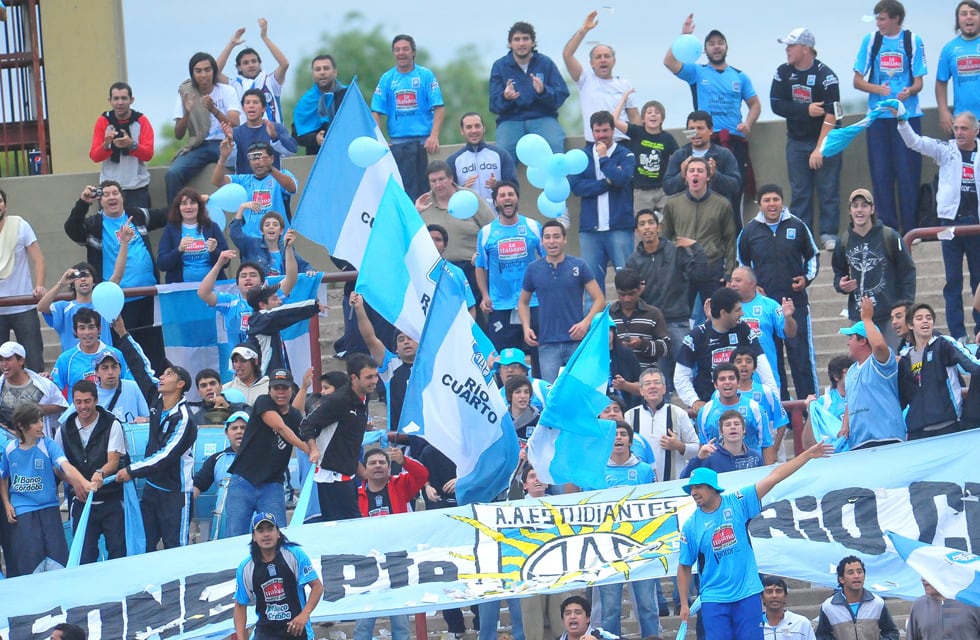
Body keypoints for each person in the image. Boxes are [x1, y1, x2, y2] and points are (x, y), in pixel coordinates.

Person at [677, 441, 833, 639]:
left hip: (747, 593)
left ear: (713, 488)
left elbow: (773, 478)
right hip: (714, 598)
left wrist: (806, 456)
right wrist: (683, 603)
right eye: (691, 488)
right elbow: (683, 567)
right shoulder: (691, 525)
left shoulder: (737, 502)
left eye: (698, 487)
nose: (693, 493)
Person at [665, 15, 761, 224]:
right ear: (704, 49)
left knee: (735, 197)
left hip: (734, 142)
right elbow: (669, 62)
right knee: (703, 195)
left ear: (726, 47)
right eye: (711, 44)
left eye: (720, 43)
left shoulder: (739, 76)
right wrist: (683, 37)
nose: (716, 47)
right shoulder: (697, 71)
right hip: (707, 141)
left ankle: (735, 252)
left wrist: (748, 123)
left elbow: (755, 104)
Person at [895, 105, 980, 342]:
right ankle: (959, 334)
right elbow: (916, 142)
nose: (959, 132)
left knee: (979, 281)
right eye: (956, 128)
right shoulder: (946, 150)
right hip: (949, 223)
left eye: (964, 128)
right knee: (953, 280)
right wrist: (903, 121)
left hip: (977, 224)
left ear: (976, 131)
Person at [65, 182, 168, 370]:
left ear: (122, 197)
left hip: (149, 297)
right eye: (105, 195)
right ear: (100, 201)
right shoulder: (95, 224)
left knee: (155, 353)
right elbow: (72, 229)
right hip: (118, 301)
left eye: (115, 193)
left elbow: (166, 215)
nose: (111, 197)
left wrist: (194, 203)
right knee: (124, 353)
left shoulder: (135, 215)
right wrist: (83, 203)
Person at [736, 184, 818, 399]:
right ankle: (782, 410)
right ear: (760, 204)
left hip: (795, 304)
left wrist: (806, 278)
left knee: (801, 359)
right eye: (767, 200)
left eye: (775, 199)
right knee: (772, 363)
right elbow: (742, 263)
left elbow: (813, 256)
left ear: (782, 202)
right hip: (763, 307)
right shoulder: (750, 231)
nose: (772, 204)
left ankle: (810, 410)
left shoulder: (798, 226)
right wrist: (752, 285)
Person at [853, 0, 927, 233]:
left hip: (907, 116)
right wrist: (877, 89)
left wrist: (908, 91)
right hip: (878, 118)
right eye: (877, 19)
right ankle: (888, 229)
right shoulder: (871, 41)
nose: (879, 23)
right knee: (881, 174)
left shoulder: (912, 40)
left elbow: (918, 82)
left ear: (896, 19)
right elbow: (857, 81)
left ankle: (911, 229)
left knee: (908, 174)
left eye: (883, 18)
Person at [770, 28, 843, 250]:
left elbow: (833, 114)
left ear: (805, 48)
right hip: (797, 141)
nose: (787, 50)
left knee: (828, 189)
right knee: (800, 192)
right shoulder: (783, 72)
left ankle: (829, 233)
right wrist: (805, 110)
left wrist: (820, 148)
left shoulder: (826, 76)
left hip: (826, 141)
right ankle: (803, 236)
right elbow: (776, 104)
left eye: (791, 46)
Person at [0, 403, 92, 577]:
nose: (41, 425)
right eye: (36, 421)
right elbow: (3, 476)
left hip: (49, 508)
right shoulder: (10, 449)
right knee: (30, 561)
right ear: (21, 425)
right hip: (24, 511)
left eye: (41, 420)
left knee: (57, 560)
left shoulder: (48, 445)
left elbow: (65, 465)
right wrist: (7, 504)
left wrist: (83, 482)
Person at [115, 366, 197, 550]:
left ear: (180, 384)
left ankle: (179, 580)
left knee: (175, 547)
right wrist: (123, 336)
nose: (161, 376)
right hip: (152, 489)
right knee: (144, 545)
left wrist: (131, 470)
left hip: (175, 494)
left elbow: (166, 456)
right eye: (163, 372)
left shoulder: (185, 419)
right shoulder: (157, 399)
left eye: (169, 374)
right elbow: (141, 369)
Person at [591, 423, 661, 639]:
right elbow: (587, 507)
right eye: (614, 435)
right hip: (607, 547)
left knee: (647, 605)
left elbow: (657, 504)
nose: (618, 438)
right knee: (610, 608)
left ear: (631, 441)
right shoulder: (597, 470)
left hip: (641, 546)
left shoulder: (645, 470)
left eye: (623, 434)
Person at [353, 447, 429, 640]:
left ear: (389, 467)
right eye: (372, 463)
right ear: (365, 469)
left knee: (401, 625)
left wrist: (404, 461)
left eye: (382, 462)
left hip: (397, 563)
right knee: (362, 626)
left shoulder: (400, 485)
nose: (377, 466)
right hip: (368, 564)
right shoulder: (355, 494)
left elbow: (422, 475)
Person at [625, 209, 708, 386]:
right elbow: (628, 295)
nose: (647, 227)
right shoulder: (633, 261)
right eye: (642, 224)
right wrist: (637, 294)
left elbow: (700, 275)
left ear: (659, 227)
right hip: (652, 327)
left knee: (691, 370)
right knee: (659, 379)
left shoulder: (676, 251)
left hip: (678, 321)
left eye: (650, 222)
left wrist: (696, 248)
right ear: (636, 231)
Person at [224, 368, 309, 537]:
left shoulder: (293, 416)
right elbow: (280, 427)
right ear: (269, 390)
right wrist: (306, 449)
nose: (280, 392)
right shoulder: (263, 402)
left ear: (291, 390)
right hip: (244, 480)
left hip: (272, 484)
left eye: (284, 388)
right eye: (276, 388)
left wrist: (306, 387)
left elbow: (297, 415)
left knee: (278, 535)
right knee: (235, 536)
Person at [519, 220, 605, 382]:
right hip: (547, 342)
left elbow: (599, 299)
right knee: (551, 394)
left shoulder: (579, 265)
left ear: (564, 239)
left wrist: (585, 323)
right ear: (542, 242)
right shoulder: (533, 269)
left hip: (576, 341)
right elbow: (523, 302)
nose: (552, 241)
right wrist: (526, 327)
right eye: (547, 237)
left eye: (556, 237)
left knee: (578, 390)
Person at [832, 188, 917, 351]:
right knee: (863, 367)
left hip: (889, 316)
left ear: (872, 209)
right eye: (855, 206)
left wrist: (907, 306)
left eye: (864, 205)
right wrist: (841, 284)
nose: (859, 210)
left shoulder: (889, 236)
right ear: (850, 211)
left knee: (893, 361)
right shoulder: (843, 241)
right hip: (859, 317)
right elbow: (838, 272)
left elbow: (908, 272)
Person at [56, 379, 127, 564]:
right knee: (85, 556)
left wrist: (100, 473)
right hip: (80, 502)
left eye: (87, 401)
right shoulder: (64, 429)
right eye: (78, 402)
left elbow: (113, 461)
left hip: (111, 500)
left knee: (118, 553)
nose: (83, 406)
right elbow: (59, 467)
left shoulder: (112, 424)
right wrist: (75, 484)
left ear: (96, 400)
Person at [302, 353, 378, 522]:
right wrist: (314, 449)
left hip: (348, 473)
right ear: (354, 378)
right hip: (331, 475)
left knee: (351, 524)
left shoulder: (364, 397)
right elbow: (307, 425)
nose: (374, 381)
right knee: (343, 525)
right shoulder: (338, 401)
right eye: (369, 377)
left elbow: (346, 439)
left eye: (376, 376)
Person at [674, 287, 776, 412]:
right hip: (710, 407)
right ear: (723, 313)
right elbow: (681, 375)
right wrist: (694, 401)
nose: (742, 314)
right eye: (737, 310)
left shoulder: (743, 329)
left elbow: (762, 364)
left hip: (741, 405)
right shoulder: (696, 336)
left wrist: (774, 399)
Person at [569, 110, 637, 294]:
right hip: (590, 230)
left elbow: (622, 179)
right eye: (597, 131)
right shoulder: (582, 157)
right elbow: (576, 187)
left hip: (620, 227)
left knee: (628, 282)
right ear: (592, 132)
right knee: (592, 285)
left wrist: (604, 159)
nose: (601, 135)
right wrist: (607, 182)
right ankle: (595, 323)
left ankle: (628, 322)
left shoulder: (626, 154)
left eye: (605, 130)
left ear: (613, 130)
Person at [372, 34, 445, 200]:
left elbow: (439, 107)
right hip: (399, 144)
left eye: (405, 49)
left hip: (425, 143)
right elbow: (375, 110)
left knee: (428, 193)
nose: (401, 53)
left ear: (413, 52)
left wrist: (434, 136)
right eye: (397, 50)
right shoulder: (387, 79)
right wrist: (381, 140)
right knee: (406, 193)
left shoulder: (425, 75)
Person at [476, 181, 544, 357]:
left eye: (511, 194)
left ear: (517, 199)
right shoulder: (486, 232)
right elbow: (480, 266)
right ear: (496, 202)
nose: (507, 198)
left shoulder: (532, 226)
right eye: (502, 195)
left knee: (540, 357)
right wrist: (484, 295)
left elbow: (547, 259)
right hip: (500, 305)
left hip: (533, 302)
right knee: (505, 359)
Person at [661, 157, 737, 310]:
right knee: (680, 315)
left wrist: (729, 272)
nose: (695, 174)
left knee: (717, 313)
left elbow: (730, 240)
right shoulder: (672, 204)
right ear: (686, 176)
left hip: (712, 268)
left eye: (700, 171)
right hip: (683, 269)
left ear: (708, 177)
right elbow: (665, 239)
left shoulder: (722, 204)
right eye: (692, 171)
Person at [234, 512, 324, 640]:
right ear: (254, 536)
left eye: (270, 529)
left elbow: (317, 586)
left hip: (297, 630)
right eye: (261, 531)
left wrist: (305, 615)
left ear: (278, 533)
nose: (266, 534)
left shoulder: (294, 554)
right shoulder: (246, 567)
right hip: (265, 632)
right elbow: (240, 605)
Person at [166, 52, 240, 205]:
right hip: (199, 145)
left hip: (225, 143)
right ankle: (175, 221)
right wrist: (187, 113)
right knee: (173, 173)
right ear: (192, 73)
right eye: (198, 71)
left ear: (214, 71)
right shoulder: (186, 93)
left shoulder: (227, 90)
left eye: (207, 70)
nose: (203, 75)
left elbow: (235, 123)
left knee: (246, 165)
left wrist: (214, 110)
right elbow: (178, 135)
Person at [489, 21, 569, 159]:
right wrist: (505, 97)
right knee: (502, 156)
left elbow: (561, 94)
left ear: (533, 42)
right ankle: (507, 182)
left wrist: (543, 92)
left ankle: (557, 180)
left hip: (542, 117)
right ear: (510, 43)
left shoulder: (545, 63)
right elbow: (493, 105)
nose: (521, 43)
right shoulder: (500, 66)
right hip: (511, 120)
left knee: (555, 148)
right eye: (517, 39)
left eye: (525, 38)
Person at [899, 302, 980, 438]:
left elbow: (973, 366)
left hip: (948, 426)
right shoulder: (906, 358)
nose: (925, 320)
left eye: (929, 318)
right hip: (918, 431)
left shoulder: (943, 344)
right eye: (919, 318)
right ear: (910, 325)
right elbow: (902, 397)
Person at [839, 295, 906, 450]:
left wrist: (867, 320)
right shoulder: (851, 371)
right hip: (859, 442)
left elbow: (880, 347)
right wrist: (845, 425)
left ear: (863, 341)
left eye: (851, 337)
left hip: (887, 437)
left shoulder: (880, 362)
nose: (848, 342)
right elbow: (850, 402)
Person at [563, 11, 638, 141]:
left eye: (607, 56)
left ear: (614, 61)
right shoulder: (585, 80)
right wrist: (583, 30)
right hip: (595, 143)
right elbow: (567, 54)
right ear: (592, 63)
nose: (603, 60)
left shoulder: (624, 84)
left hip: (622, 142)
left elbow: (635, 117)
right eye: (598, 57)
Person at [727, 265, 798, 398]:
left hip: (766, 377)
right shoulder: (726, 307)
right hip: (734, 380)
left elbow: (790, 333)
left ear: (752, 283)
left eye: (738, 280)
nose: (733, 284)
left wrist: (788, 318)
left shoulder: (770, 305)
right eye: (732, 280)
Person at [350, 291, 416, 430]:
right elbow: (370, 339)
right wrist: (359, 309)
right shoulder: (390, 365)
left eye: (410, 338)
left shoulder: (430, 365)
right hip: (399, 437)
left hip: (430, 436)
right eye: (401, 339)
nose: (406, 342)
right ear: (396, 349)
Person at [623, 367, 700, 483]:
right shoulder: (630, 416)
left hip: (674, 484)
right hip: (640, 484)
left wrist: (679, 446)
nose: (652, 386)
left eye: (657, 382)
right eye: (647, 383)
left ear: (664, 389)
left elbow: (697, 448)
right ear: (641, 391)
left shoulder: (679, 413)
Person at [662, 110, 742, 219]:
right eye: (691, 129)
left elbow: (736, 186)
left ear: (711, 130)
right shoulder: (680, 155)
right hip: (686, 215)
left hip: (716, 215)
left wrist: (715, 175)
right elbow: (667, 187)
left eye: (700, 128)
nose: (696, 133)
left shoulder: (724, 154)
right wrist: (682, 175)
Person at [213, 140, 298, 238]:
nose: (257, 162)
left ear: (272, 159)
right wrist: (223, 158)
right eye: (253, 158)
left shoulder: (282, 175)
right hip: (250, 242)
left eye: (262, 158)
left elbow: (292, 188)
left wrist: (271, 169)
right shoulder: (243, 180)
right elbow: (217, 181)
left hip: (279, 240)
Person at [89, 82, 155, 208]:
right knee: (109, 227)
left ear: (131, 100)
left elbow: (148, 154)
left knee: (139, 227)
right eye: (116, 98)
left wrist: (132, 145)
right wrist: (106, 145)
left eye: (124, 98)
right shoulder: (103, 121)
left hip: (137, 187)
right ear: (110, 101)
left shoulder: (141, 121)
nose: (120, 103)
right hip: (109, 189)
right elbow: (94, 156)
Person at [0, 194, 46, 373]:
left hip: (23, 306)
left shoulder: (20, 225)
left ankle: (39, 401)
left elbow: (39, 260)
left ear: (5, 205)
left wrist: (39, 286)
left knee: (34, 360)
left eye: (0, 201)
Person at [612, 93, 679, 213]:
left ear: (662, 118)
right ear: (643, 118)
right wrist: (623, 99)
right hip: (641, 191)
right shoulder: (636, 132)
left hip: (662, 190)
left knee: (667, 225)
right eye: (649, 112)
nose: (653, 114)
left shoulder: (667, 138)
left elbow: (679, 158)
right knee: (642, 224)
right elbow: (613, 121)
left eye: (657, 112)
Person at [215, 18, 289, 124]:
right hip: (246, 139)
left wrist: (264, 37)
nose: (250, 65)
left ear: (259, 63)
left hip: (273, 139)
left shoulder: (270, 81)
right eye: (245, 63)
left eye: (254, 61)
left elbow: (284, 64)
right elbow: (214, 73)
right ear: (239, 67)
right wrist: (231, 44)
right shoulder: (235, 86)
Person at [696, 363, 773, 462]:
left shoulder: (755, 408)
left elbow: (766, 444)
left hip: (750, 468)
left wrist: (768, 473)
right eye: (722, 379)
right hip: (718, 469)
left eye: (731, 378)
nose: (727, 382)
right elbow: (703, 444)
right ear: (715, 385)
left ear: (738, 383)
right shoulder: (705, 411)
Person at [245, 279, 321, 377]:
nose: (280, 301)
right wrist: (313, 306)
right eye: (275, 298)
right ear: (262, 305)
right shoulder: (260, 320)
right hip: (265, 380)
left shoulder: (264, 321)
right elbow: (284, 312)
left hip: (276, 377)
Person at [50, 309, 131, 398]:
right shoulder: (65, 358)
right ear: (75, 331)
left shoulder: (116, 354)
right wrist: (44, 380)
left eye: (91, 327)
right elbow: (53, 391)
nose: (87, 332)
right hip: (79, 411)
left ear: (99, 329)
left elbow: (129, 386)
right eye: (82, 328)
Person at [815, 556, 899, 640]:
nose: (856, 576)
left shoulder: (877, 603)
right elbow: (821, 636)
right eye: (851, 573)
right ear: (841, 579)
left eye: (859, 572)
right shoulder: (829, 607)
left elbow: (891, 632)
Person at [156, 187, 227, 284]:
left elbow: (227, 262)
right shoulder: (171, 229)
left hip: (212, 287)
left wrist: (214, 251)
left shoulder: (212, 226)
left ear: (199, 206)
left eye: (193, 203)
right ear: (178, 208)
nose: (189, 207)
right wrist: (179, 250)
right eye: (184, 203)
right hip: (182, 289)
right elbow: (162, 264)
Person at [38, 263, 115, 350]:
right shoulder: (64, 307)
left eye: (86, 275)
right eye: (78, 276)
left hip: (103, 360)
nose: (83, 279)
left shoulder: (105, 305)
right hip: (74, 361)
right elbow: (41, 307)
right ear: (72, 283)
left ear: (93, 281)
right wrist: (61, 283)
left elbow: (117, 277)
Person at [447, 112, 517, 205]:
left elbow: (515, 188)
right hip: (468, 216)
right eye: (469, 127)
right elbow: (447, 195)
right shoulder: (453, 161)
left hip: (497, 215)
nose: (474, 131)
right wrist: (463, 189)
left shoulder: (501, 155)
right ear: (462, 131)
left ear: (483, 128)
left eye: (477, 126)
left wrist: (498, 185)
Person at [0, 341, 67, 437]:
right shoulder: (1, 386)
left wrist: (39, 409)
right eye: (1, 360)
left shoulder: (43, 384)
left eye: (8, 359)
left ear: (21, 361)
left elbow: (62, 406)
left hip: (39, 443)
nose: (4, 364)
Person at [610, 268, 669, 370]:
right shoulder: (608, 314)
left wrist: (642, 344)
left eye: (631, 294)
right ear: (616, 291)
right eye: (622, 294)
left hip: (646, 377)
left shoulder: (653, 314)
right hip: (615, 375)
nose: (627, 299)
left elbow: (665, 347)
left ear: (640, 289)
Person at [228, 88, 297, 173]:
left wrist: (275, 137)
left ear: (263, 108)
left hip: (272, 181)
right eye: (247, 102)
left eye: (255, 102)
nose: (251, 105)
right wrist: (230, 143)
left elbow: (292, 151)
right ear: (243, 108)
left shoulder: (276, 128)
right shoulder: (235, 133)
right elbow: (229, 162)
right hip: (246, 182)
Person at [937, 1, 980, 135]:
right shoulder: (949, 49)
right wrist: (943, 111)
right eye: (964, 14)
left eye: (973, 13)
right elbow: (941, 82)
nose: (969, 17)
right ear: (958, 20)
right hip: (962, 122)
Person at [292, 54, 348, 156]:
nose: (322, 72)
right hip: (316, 158)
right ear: (313, 75)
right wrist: (315, 139)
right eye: (318, 69)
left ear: (335, 72)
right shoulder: (306, 101)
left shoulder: (348, 95)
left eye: (326, 68)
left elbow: (360, 123)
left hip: (346, 154)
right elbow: (297, 135)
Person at [681, 409, 763, 477]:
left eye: (737, 424)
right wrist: (699, 459)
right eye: (727, 425)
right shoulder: (710, 456)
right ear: (721, 431)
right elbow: (684, 478)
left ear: (744, 429)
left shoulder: (755, 457)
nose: (733, 427)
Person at [231, 211, 312, 277]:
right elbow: (235, 234)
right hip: (259, 293)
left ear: (281, 231)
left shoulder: (286, 248)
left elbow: (303, 266)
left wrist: (310, 271)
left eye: (275, 224)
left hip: (281, 292)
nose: (271, 227)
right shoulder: (252, 245)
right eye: (267, 225)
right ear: (261, 231)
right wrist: (242, 208)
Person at [906, 576, 980, 640]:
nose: (922, 579)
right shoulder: (919, 605)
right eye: (922, 573)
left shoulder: (972, 601)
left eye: (927, 573)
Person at [761, 576, 816, 640]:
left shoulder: (801, 623)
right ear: (762, 597)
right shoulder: (753, 626)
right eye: (769, 591)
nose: (774, 596)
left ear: (785, 596)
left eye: (778, 591)